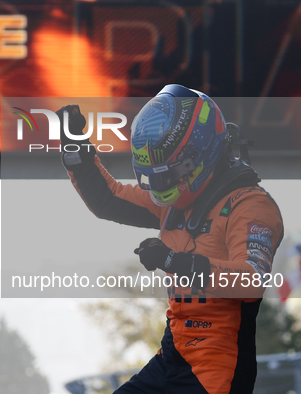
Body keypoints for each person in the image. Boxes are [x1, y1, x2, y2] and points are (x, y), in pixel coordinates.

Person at [57, 84, 284, 394]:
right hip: (171, 357)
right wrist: (75, 147)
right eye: (152, 177)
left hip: (218, 370)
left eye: (165, 176)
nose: (159, 187)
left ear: (199, 158)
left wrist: (174, 261)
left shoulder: (251, 206)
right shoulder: (174, 202)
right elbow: (108, 200)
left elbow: (252, 281)